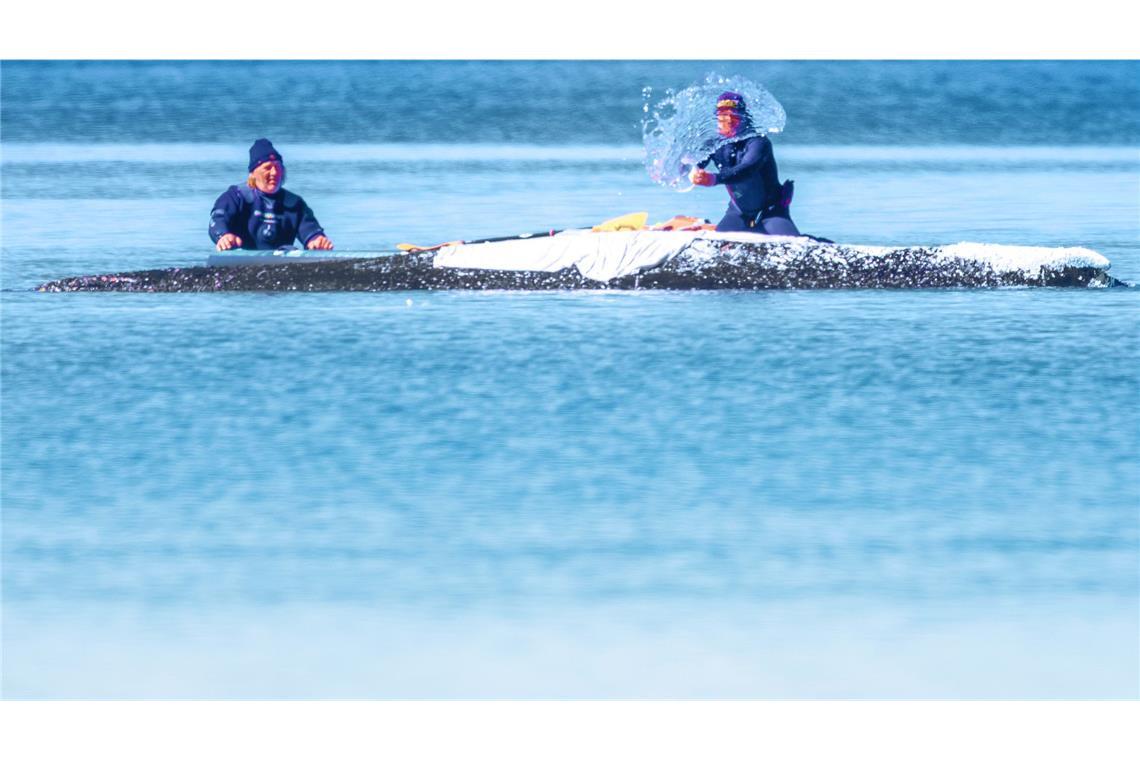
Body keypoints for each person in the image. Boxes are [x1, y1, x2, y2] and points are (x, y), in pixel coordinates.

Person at [689, 92, 801, 236]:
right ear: (717, 118)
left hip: (771, 211)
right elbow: (693, 164)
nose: (728, 120)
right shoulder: (714, 144)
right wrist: (674, 167)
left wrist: (713, 179)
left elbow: (747, 169)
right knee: (719, 243)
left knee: (791, 243)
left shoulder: (759, 142)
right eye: (723, 115)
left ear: (744, 118)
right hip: (738, 212)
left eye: (734, 115)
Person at [209, 138, 334, 251]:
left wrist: (317, 240)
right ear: (253, 173)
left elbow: (310, 230)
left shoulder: (295, 204)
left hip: (282, 261)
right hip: (240, 260)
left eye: (278, 167)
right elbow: (217, 220)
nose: (274, 173)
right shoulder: (235, 197)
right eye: (268, 168)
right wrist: (223, 236)